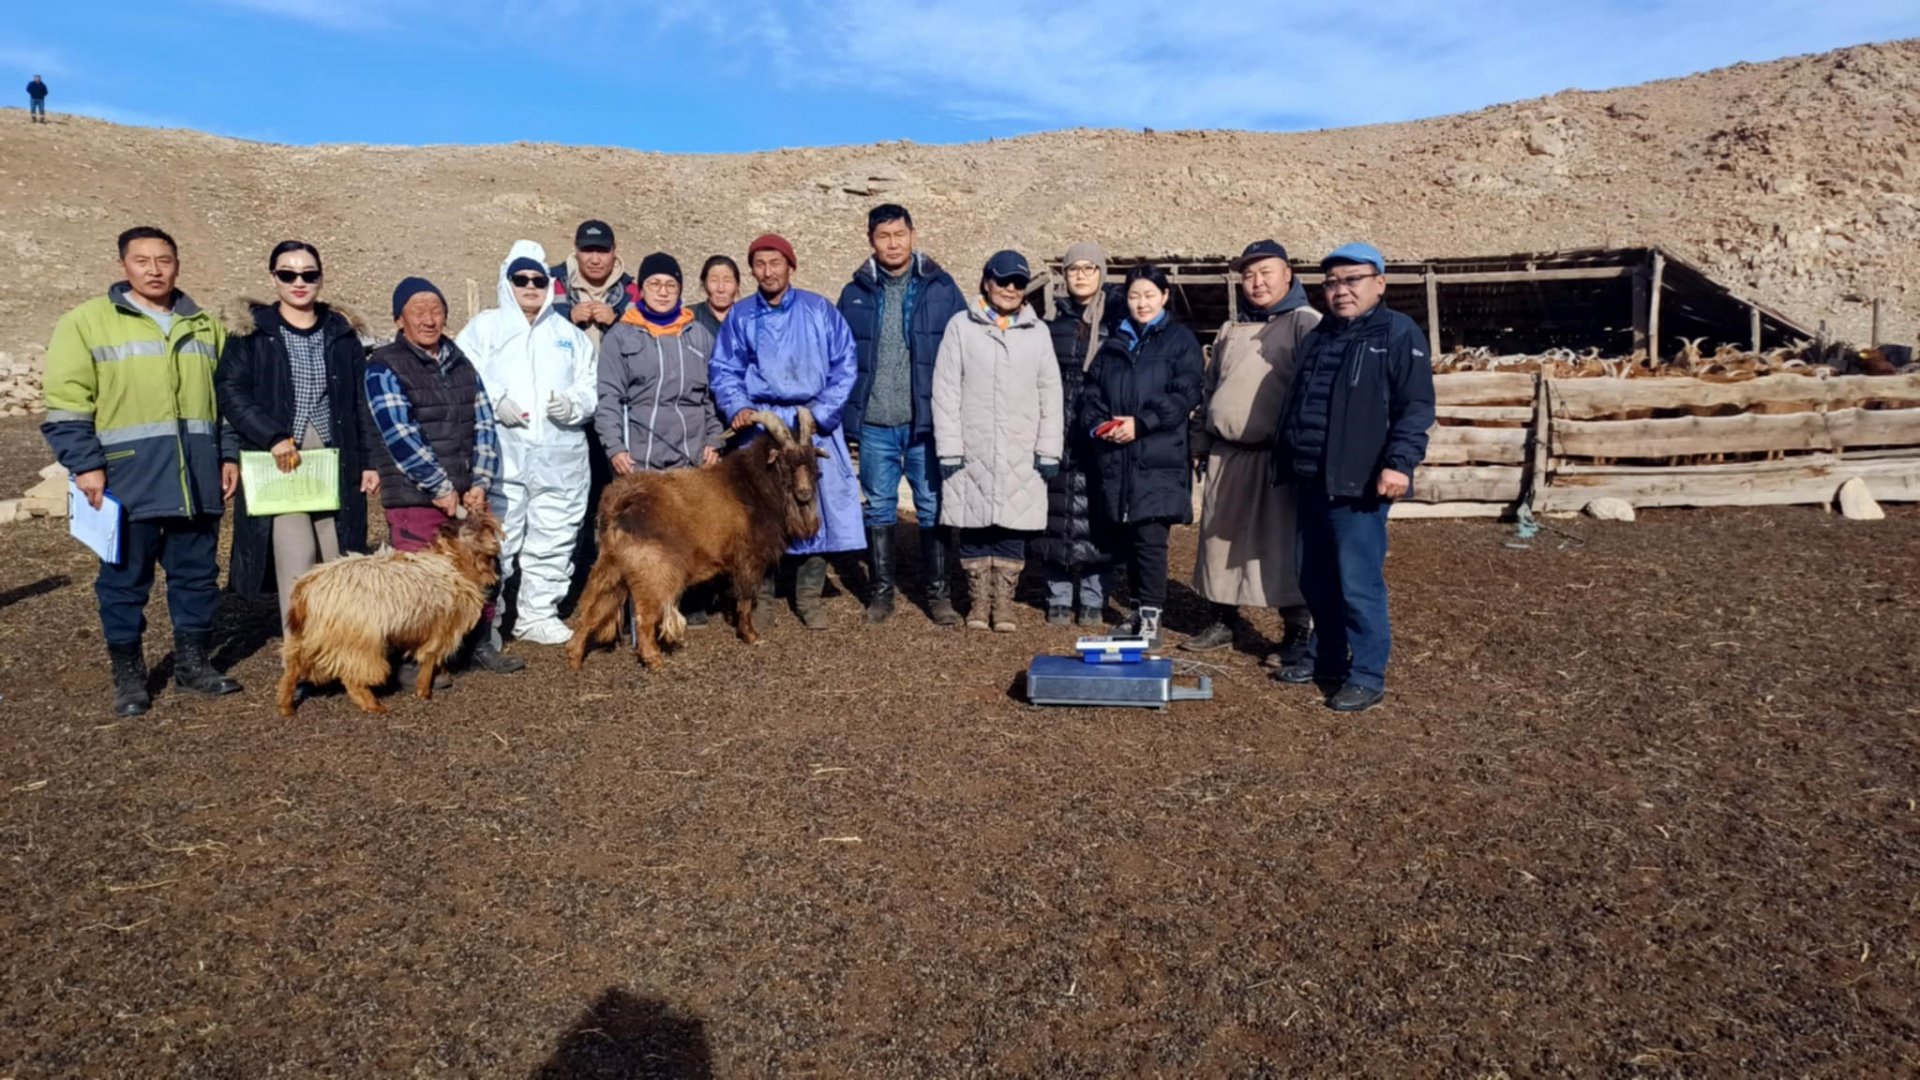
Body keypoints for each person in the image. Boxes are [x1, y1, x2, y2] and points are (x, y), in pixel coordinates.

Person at [42, 226, 242, 717]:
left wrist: (229, 454)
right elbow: (66, 404)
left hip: (196, 479)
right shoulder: (87, 323)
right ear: (123, 266)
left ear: (178, 264)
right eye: (142, 260)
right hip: (126, 480)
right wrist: (86, 466)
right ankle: (128, 674)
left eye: (164, 260)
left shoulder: (202, 325)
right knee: (123, 581)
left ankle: (193, 664)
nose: (154, 270)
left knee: (196, 576)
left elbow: (226, 401)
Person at [1272, 242, 1435, 713]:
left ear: (1379, 283)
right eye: (1332, 282)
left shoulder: (1398, 333)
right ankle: (1326, 657)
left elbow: (1417, 406)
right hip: (1311, 478)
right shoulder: (1321, 335)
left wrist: (1399, 462)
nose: (1340, 291)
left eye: (1352, 280)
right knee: (1314, 577)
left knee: (1357, 582)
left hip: (1359, 482)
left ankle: (1366, 673)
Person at [361, 275, 524, 677]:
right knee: (419, 581)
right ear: (400, 319)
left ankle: (480, 642)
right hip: (416, 497)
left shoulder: (461, 362)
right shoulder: (384, 366)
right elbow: (399, 434)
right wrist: (439, 487)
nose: (429, 320)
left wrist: (480, 481)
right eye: (418, 311)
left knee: (484, 566)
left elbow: (483, 423)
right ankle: (413, 657)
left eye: (436, 311)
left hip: (466, 491)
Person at [708, 233, 864, 630]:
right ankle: (762, 595)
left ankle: (808, 595)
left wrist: (821, 412)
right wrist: (739, 406)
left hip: (812, 423)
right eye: (759, 264)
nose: (768, 271)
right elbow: (724, 368)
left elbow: (845, 363)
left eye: (775, 263)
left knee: (813, 505)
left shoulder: (819, 310)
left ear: (790, 266)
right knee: (762, 511)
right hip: (765, 427)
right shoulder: (742, 316)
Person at [216, 240, 371, 636]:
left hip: (333, 456)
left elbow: (359, 400)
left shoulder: (341, 333)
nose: (298, 282)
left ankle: (341, 648)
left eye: (308, 274)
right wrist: (272, 436)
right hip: (279, 457)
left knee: (337, 554)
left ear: (321, 278)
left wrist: (369, 461)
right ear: (273, 278)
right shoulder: (252, 332)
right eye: (288, 274)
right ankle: (300, 652)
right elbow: (231, 390)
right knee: (295, 556)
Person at [457, 241, 597, 647]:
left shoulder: (568, 335)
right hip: (505, 455)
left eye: (539, 279)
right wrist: (495, 400)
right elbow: (464, 373)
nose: (531, 287)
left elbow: (590, 385)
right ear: (508, 282)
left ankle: (538, 613)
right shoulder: (486, 328)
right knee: (500, 537)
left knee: (554, 535)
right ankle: (489, 620)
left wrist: (573, 405)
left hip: (561, 456)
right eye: (522, 279)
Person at [1184, 239, 1320, 659]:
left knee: (1279, 544)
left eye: (1266, 273)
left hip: (1275, 456)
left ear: (1288, 275)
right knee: (1219, 542)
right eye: (1248, 275)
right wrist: (1201, 440)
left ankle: (1297, 629)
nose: (1257, 283)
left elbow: (1313, 391)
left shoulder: (1305, 323)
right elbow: (1210, 391)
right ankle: (1223, 618)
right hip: (1227, 453)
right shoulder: (1231, 329)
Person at [836, 203, 969, 626]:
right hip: (876, 420)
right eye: (883, 236)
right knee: (879, 507)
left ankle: (938, 594)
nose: (892, 243)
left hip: (925, 422)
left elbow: (964, 350)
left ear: (913, 234)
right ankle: (881, 593)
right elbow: (841, 357)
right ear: (870, 240)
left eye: (899, 234)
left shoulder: (942, 287)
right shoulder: (854, 292)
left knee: (931, 506)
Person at [932, 250, 1062, 632]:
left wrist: (1048, 449)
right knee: (974, 524)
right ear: (986, 281)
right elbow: (945, 390)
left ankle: (1002, 604)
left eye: (1018, 282)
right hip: (973, 445)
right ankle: (977, 602)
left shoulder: (1037, 333)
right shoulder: (961, 327)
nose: (1010, 288)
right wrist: (950, 447)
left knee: (1010, 526)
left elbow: (1050, 394)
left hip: (1021, 447)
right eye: (1002, 280)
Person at [1079, 264, 1204, 650]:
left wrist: (1142, 423)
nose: (1142, 303)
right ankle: (1136, 610)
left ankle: (1152, 618)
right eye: (1134, 296)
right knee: (1128, 539)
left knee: (1151, 539)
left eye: (1150, 295)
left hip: (1158, 456)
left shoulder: (1180, 341)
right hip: (1119, 457)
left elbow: (1185, 394)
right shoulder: (1115, 343)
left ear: (1165, 297)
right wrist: (1100, 426)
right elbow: (1091, 393)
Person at [597, 252, 725, 623]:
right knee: (641, 538)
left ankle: (679, 602)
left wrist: (714, 440)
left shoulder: (698, 334)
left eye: (671, 285)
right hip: (641, 455)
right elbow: (608, 398)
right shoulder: (622, 335)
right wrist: (615, 448)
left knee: (683, 531)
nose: (663, 292)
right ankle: (631, 609)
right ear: (641, 289)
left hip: (688, 455)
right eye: (655, 284)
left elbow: (711, 398)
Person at [1033, 241, 1118, 628]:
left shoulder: (1118, 323)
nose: (1081, 275)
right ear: (1063, 277)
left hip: (1099, 432)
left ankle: (1095, 597)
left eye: (1089, 268)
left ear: (1102, 274)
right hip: (1056, 428)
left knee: (1101, 516)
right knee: (1055, 512)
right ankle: (1059, 596)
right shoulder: (1049, 324)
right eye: (1073, 269)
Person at [548, 219, 634, 346]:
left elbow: (641, 343)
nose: (595, 260)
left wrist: (615, 322)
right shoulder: (550, 282)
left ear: (614, 250)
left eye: (603, 251)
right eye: (587, 250)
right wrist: (569, 317)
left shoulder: (631, 291)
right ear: (576, 248)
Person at [690, 255, 741, 337]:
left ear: (737, 285)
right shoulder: (689, 317)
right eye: (714, 280)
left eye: (727, 281)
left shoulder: (747, 319)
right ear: (704, 284)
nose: (721, 289)